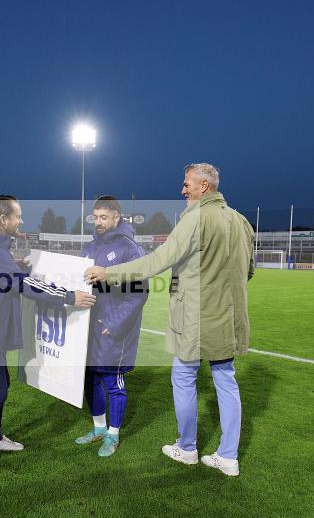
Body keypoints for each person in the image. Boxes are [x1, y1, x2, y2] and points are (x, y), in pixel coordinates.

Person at [85, 164, 254, 476]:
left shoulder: (195, 218)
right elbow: (249, 271)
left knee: (185, 376)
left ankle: (187, 448)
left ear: (204, 186)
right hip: (230, 317)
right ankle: (228, 457)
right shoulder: (241, 220)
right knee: (226, 379)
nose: (183, 189)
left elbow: (157, 261)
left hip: (196, 317)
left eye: (187, 184)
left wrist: (109, 273)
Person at [0, 195, 97, 476]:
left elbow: (8, 275)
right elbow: (22, 284)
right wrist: (68, 296)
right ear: (3, 220)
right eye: (17, 215)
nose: (21, 220)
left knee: (0, 384)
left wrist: (17, 264)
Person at [75, 196, 149, 457]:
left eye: (103, 217)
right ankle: (98, 428)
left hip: (112, 329)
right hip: (88, 328)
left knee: (112, 381)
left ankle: (113, 435)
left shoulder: (130, 249)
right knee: (90, 379)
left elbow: (139, 293)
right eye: (95, 218)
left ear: (117, 218)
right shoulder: (90, 246)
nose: (98, 222)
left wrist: (114, 323)